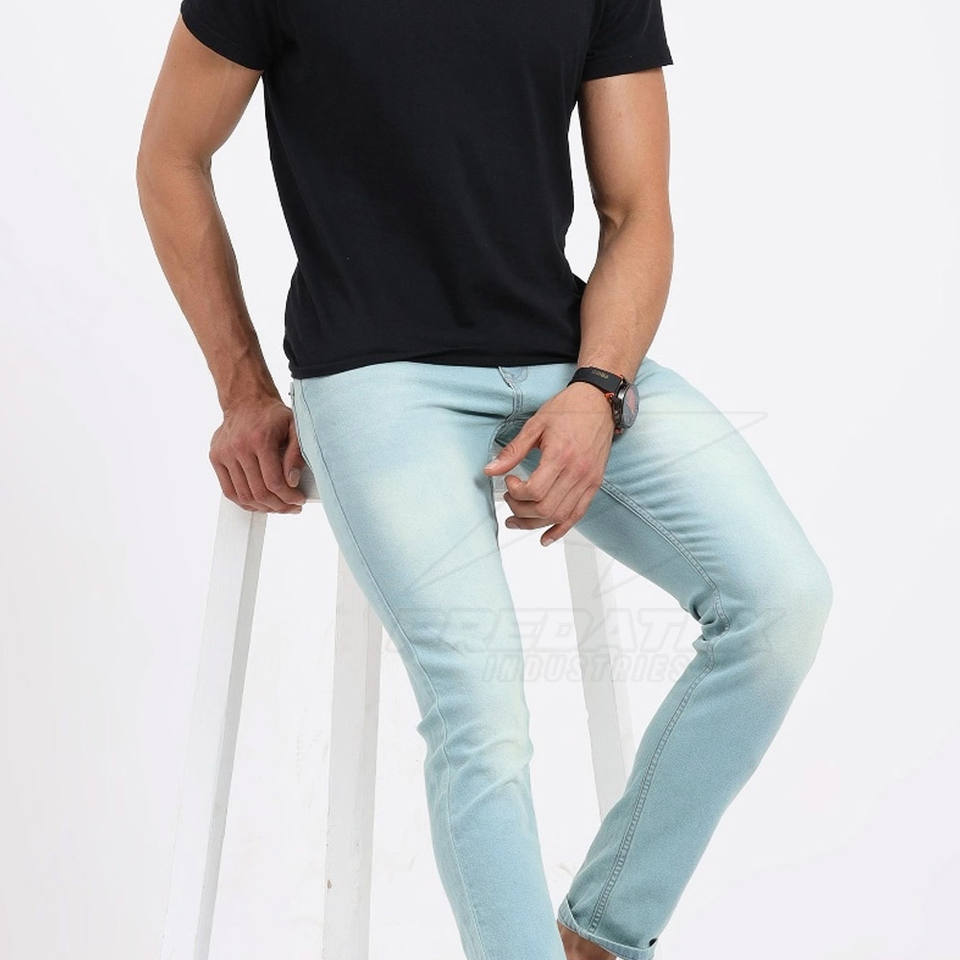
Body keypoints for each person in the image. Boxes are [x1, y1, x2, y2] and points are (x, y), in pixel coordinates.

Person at [136, 0, 833, 955]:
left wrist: (598, 388)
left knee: (783, 600)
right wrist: (242, 387)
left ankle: (601, 935)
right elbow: (171, 157)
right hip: (378, 376)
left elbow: (636, 210)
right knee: (482, 702)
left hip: (567, 360)